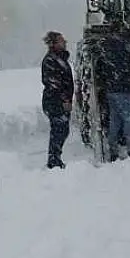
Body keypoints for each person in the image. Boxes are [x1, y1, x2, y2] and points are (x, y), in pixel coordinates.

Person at [99, 29, 130, 162]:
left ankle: (113, 150)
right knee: (129, 119)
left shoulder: (106, 48)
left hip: (111, 90)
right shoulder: (127, 47)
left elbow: (102, 69)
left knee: (115, 120)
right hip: (125, 89)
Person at [41, 31, 74, 169]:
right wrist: (64, 99)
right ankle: (54, 159)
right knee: (59, 129)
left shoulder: (60, 59)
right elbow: (53, 83)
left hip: (59, 101)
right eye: (61, 40)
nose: (65, 42)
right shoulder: (50, 60)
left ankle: (55, 157)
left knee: (62, 129)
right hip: (54, 102)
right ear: (53, 43)